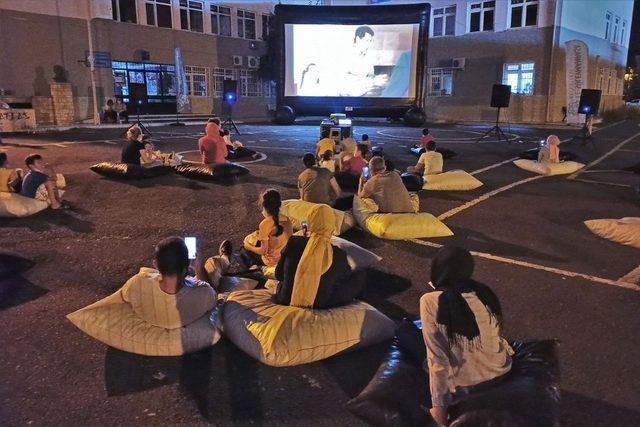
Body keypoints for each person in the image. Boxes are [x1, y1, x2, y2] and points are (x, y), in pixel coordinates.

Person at [420, 246, 513, 426]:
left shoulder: (431, 301)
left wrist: (439, 412)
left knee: (408, 338)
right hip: (501, 370)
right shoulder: (484, 293)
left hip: (467, 384)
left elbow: (438, 360)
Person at [274, 204, 365, 309]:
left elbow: (278, 275)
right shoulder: (338, 254)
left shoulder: (294, 242)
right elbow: (342, 279)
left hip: (284, 299)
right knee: (360, 275)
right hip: (320, 304)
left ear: (310, 222)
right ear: (331, 225)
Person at [242, 189, 293, 268]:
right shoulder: (287, 219)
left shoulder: (265, 224)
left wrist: (247, 246)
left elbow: (263, 251)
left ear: (264, 206)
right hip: (283, 257)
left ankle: (255, 269)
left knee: (243, 249)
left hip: (271, 261)